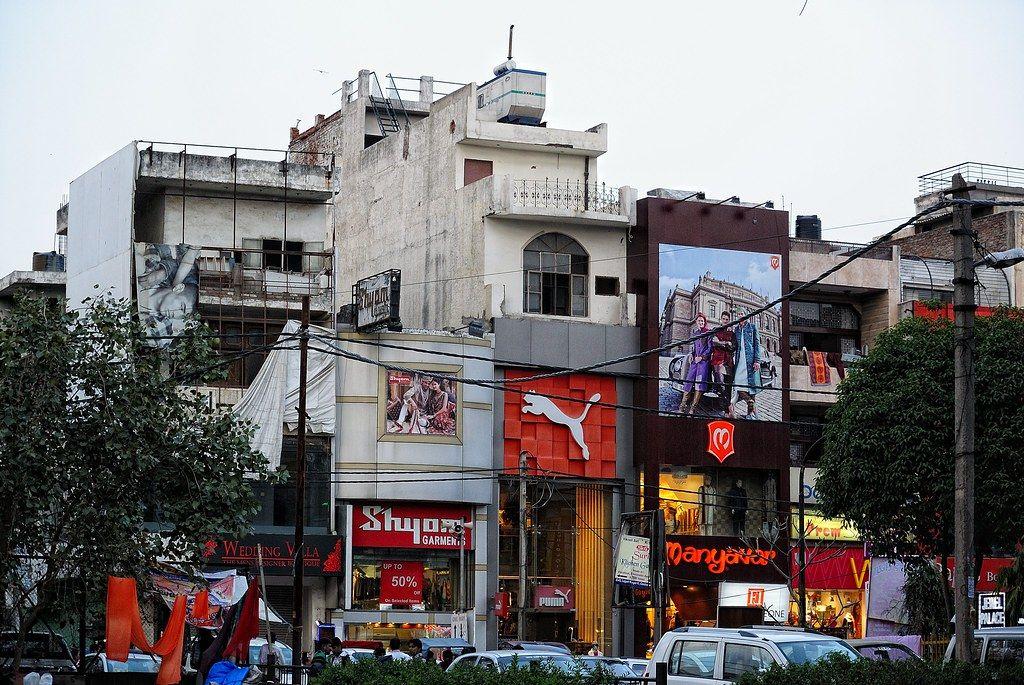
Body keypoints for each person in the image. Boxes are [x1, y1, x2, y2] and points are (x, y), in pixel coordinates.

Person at [678, 313, 713, 415]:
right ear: (696, 322)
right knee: (688, 382)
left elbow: (710, 348)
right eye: (699, 321)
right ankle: (682, 406)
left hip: (703, 363)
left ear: (704, 322)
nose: (701, 322)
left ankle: (693, 408)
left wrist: (701, 357)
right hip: (695, 362)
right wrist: (692, 355)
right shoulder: (695, 333)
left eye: (702, 321)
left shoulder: (708, 332)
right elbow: (694, 348)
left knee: (699, 384)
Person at [730, 315, 763, 419]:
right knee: (737, 383)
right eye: (738, 314)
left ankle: (750, 414)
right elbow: (734, 345)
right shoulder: (736, 329)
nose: (740, 316)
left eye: (742, 314)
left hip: (750, 361)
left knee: (751, 388)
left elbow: (757, 345)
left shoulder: (752, 327)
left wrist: (757, 360)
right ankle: (750, 402)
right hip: (739, 361)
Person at [710, 310, 735, 413]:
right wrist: (726, 343)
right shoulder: (715, 330)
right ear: (721, 319)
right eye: (724, 319)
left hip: (728, 362)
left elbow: (734, 347)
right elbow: (713, 342)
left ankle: (727, 411)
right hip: (717, 361)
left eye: (727, 319)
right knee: (721, 384)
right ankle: (729, 406)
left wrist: (721, 343)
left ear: (729, 320)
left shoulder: (732, 333)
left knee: (728, 386)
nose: (725, 321)